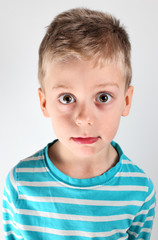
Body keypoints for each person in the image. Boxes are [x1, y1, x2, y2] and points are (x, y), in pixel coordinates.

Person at [3, 8, 156, 240]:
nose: (84, 118)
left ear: (126, 101)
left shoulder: (141, 191)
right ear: (44, 103)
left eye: (103, 97)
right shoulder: (19, 185)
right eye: (67, 98)